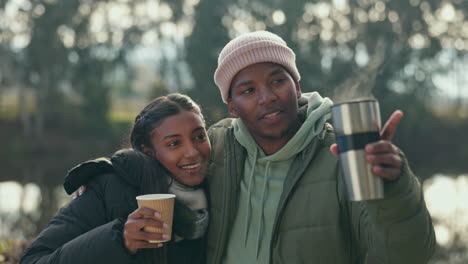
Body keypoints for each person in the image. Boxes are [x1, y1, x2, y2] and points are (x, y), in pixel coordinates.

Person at [205, 31, 435, 263]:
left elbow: (408, 255)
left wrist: (393, 190)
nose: (266, 97)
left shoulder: (344, 157)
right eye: (248, 90)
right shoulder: (215, 148)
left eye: (277, 81)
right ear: (232, 107)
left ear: (296, 87)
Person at [20, 93, 211, 264]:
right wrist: (119, 241)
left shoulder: (221, 183)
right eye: (174, 143)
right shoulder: (108, 189)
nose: (192, 152)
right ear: (149, 152)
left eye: (199, 136)